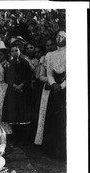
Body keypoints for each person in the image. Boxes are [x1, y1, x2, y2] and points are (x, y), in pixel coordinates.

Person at [42, 30, 66, 160]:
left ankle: (64, 151)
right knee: (54, 119)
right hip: (54, 87)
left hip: (66, 88)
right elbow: (49, 72)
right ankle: (53, 151)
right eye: (57, 36)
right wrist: (53, 84)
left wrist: (62, 86)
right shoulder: (50, 54)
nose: (59, 38)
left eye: (62, 36)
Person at [2, 43, 32, 144]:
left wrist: (22, 85)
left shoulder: (25, 62)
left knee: (22, 113)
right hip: (13, 91)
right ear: (10, 53)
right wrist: (14, 85)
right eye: (12, 51)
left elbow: (28, 76)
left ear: (20, 51)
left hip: (23, 91)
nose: (14, 53)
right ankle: (16, 137)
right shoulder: (8, 63)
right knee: (14, 114)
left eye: (16, 50)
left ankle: (24, 138)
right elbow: (7, 77)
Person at [34, 38, 57, 146]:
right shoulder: (45, 58)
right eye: (47, 45)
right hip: (48, 89)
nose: (49, 47)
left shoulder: (61, 55)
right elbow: (41, 76)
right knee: (45, 113)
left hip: (60, 89)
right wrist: (51, 80)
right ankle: (45, 141)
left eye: (51, 44)